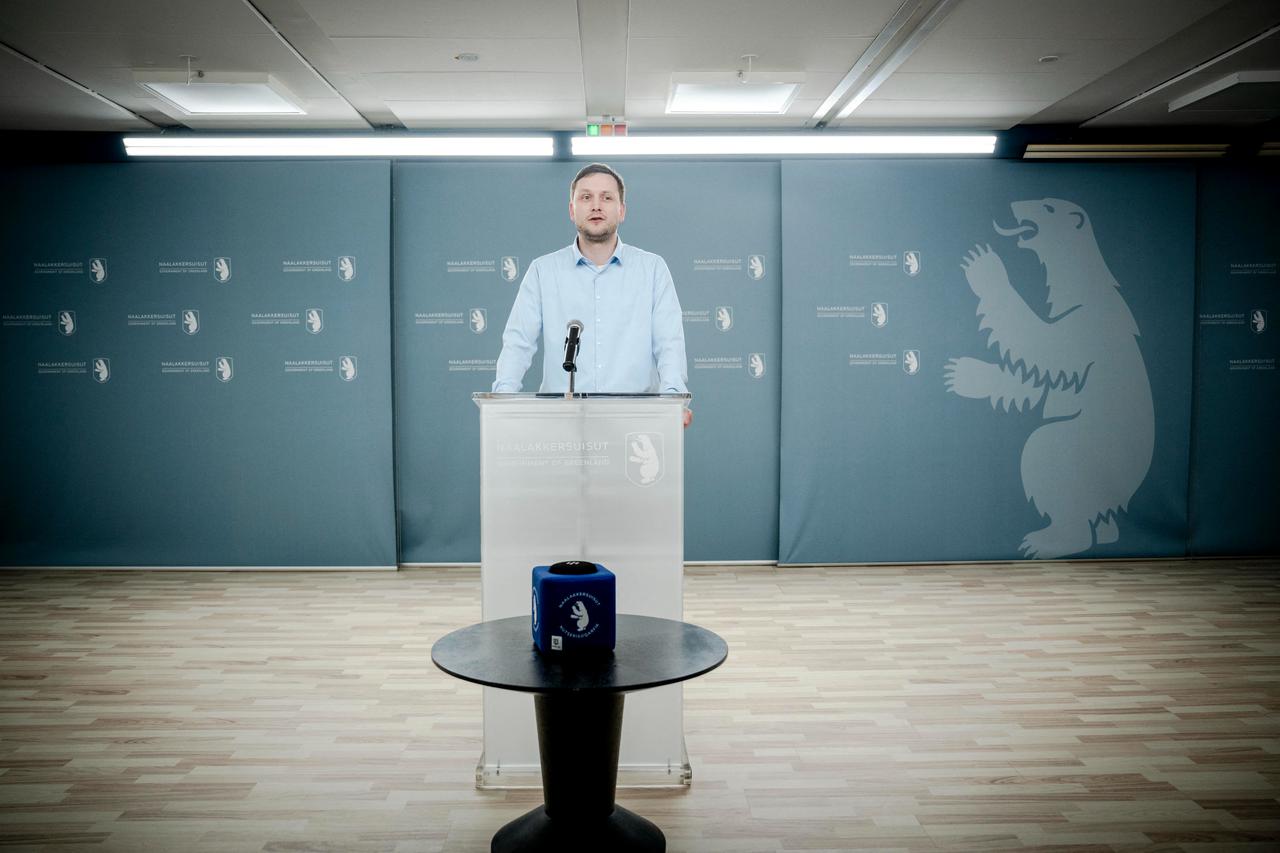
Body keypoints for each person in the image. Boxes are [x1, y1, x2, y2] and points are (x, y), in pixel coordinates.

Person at [492, 163, 692, 426]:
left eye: (607, 197)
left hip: (635, 424)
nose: (596, 205)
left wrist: (673, 401)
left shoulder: (652, 269)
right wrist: (502, 402)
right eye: (586, 197)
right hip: (561, 424)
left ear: (621, 211)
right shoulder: (543, 271)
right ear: (572, 210)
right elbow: (518, 342)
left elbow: (669, 344)